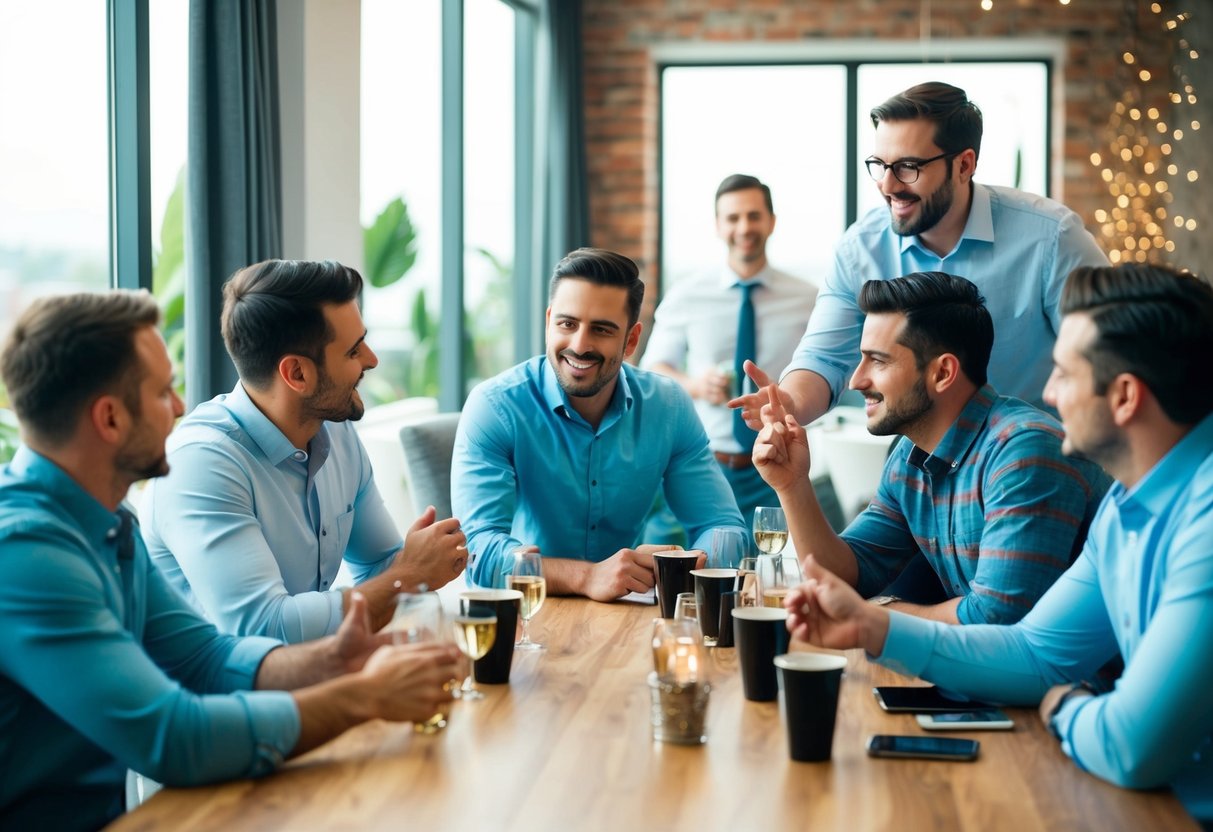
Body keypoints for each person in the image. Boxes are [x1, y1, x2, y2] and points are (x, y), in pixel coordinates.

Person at [0, 291, 460, 830]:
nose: (178, 407)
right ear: (109, 419)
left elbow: (204, 659)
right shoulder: (28, 555)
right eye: (162, 391)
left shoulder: (105, 522)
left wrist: (334, 659)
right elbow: (172, 736)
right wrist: (361, 698)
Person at [782, 263, 1213, 824]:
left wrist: (1066, 707)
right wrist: (871, 627)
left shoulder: (1201, 518)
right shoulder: (1126, 509)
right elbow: (1036, 653)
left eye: (1064, 373)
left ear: (1126, 396)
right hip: (1127, 797)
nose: (1051, 393)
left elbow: (1129, 745)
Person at [732, 81, 1109, 430]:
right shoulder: (860, 249)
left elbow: (1106, 356)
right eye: (879, 165)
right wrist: (791, 402)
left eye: (908, 167)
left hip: (1032, 466)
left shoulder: (1051, 238)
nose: (887, 185)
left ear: (964, 165)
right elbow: (824, 358)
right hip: (916, 474)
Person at [754, 271, 1109, 623]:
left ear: (942, 373)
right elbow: (841, 575)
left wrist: (869, 613)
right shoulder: (908, 459)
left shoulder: (1023, 451)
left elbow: (996, 619)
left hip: (1084, 680)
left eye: (877, 360)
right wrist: (792, 484)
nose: (856, 379)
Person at [141, 260, 467, 642]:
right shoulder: (201, 464)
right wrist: (408, 576)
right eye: (353, 351)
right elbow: (262, 628)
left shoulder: (336, 431)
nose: (372, 360)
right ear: (296, 374)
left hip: (311, 678)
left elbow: (380, 566)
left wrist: (409, 568)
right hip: (221, 695)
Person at [452, 247, 746, 600]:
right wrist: (585, 577)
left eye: (602, 330)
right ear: (549, 322)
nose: (580, 345)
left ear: (632, 340)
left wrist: (683, 565)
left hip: (621, 616)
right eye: (567, 324)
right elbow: (479, 554)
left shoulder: (668, 408)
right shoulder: (494, 406)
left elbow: (724, 527)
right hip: (524, 615)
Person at [641, 174, 817, 529]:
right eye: (733, 218)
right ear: (718, 226)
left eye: (754, 216)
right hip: (703, 467)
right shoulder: (688, 293)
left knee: (769, 579)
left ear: (771, 221)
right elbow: (652, 369)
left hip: (778, 466)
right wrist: (695, 385)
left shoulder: (808, 299)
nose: (744, 227)